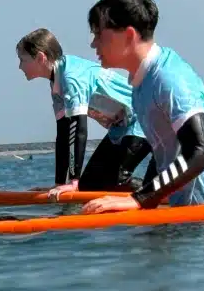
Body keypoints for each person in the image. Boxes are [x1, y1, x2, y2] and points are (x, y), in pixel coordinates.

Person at [80, 0, 204, 214]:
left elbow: (201, 151)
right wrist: (146, 201)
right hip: (184, 218)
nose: (93, 44)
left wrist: (141, 198)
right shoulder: (141, 82)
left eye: (98, 34)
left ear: (128, 35)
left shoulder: (169, 78)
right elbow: (165, 156)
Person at [16, 28, 154, 197]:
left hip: (144, 118)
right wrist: (60, 183)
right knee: (89, 185)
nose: (19, 66)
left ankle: (157, 193)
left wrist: (73, 182)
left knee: (117, 179)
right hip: (121, 126)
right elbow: (63, 134)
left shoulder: (71, 78)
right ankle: (150, 192)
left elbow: (79, 129)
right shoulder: (56, 84)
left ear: (40, 58)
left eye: (22, 60)